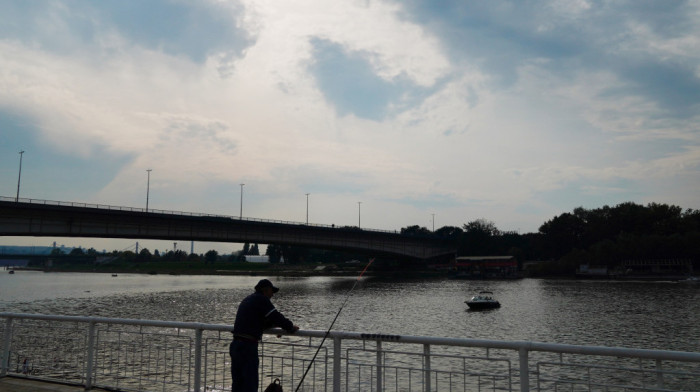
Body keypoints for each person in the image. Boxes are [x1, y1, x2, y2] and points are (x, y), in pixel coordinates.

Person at [230, 279, 299, 392]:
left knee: (238, 384)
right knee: (250, 384)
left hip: (236, 345)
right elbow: (275, 316)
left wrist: (278, 326)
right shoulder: (261, 299)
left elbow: (259, 321)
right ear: (265, 290)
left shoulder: (248, 299)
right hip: (248, 346)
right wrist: (290, 327)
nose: (272, 295)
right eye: (272, 291)